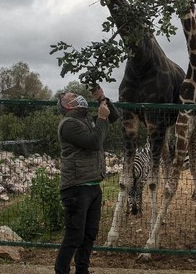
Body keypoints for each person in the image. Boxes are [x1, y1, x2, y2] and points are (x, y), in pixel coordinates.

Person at [54, 85, 120, 274]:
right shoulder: (69, 124)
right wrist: (100, 118)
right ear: (67, 105)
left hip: (92, 185)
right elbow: (94, 143)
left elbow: (113, 117)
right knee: (74, 235)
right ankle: (61, 271)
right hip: (76, 187)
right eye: (73, 96)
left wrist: (102, 98)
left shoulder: (84, 120)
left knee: (89, 234)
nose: (78, 96)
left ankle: (82, 270)